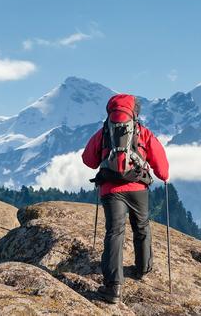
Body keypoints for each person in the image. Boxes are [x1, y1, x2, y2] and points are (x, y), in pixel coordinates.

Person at [82, 94, 169, 304]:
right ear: (135, 112)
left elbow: (88, 160)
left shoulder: (104, 133)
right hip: (138, 187)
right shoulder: (143, 133)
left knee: (115, 232)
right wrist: (164, 176)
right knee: (141, 227)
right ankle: (142, 269)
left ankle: (113, 288)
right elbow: (161, 165)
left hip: (111, 190)